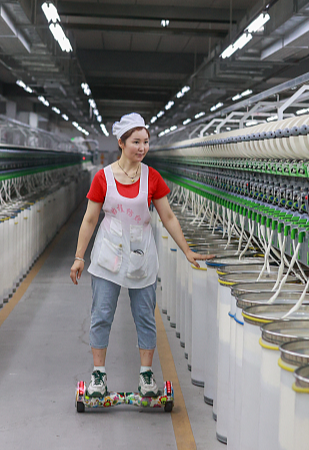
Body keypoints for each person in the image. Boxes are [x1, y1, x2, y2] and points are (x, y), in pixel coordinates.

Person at [70, 113, 212, 398]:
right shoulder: (103, 177)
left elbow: (168, 216)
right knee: (101, 316)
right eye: (136, 141)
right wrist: (79, 257)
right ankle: (98, 376)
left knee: (145, 317)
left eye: (146, 142)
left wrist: (186, 250)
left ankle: (146, 377)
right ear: (121, 143)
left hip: (141, 256)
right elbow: (89, 219)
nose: (142, 147)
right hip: (108, 255)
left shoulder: (152, 177)